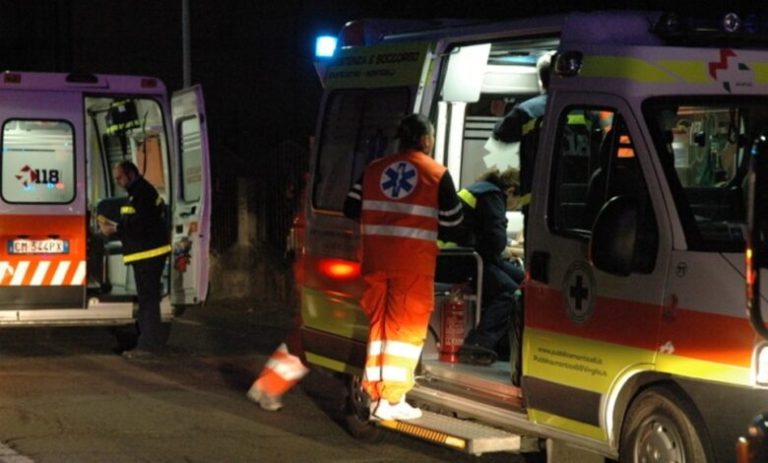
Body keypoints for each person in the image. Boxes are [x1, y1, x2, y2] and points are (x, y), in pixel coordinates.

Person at [343, 114, 463, 421]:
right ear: (426, 140)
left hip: (375, 261)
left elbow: (351, 207)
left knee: (380, 329)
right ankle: (392, 400)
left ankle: (375, 392)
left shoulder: (374, 170)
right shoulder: (436, 174)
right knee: (403, 333)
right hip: (411, 264)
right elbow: (454, 224)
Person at [99, 160, 171, 359]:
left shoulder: (143, 193)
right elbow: (135, 221)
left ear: (131, 174)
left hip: (149, 256)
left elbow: (141, 224)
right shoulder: (138, 193)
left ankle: (148, 346)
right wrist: (117, 225)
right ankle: (147, 342)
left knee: (148, 302)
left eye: (120, 177)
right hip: (146, 255)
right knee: (147, 300)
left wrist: (115, 229)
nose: (118, 182)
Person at [456, 168, 524, 369]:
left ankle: (503, 344)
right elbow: (496, 240)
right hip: (461, 259)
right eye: (516, 202)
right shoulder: (492, 195)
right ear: (510, 191)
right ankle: (478, 344)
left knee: (525, 282)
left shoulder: (482, 190)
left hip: (466, 255)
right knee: (511, 291)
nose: (514, 207)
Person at [492, 51, 555, 240]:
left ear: (541, 81)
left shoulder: (528, 110)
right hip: (574, 200)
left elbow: (501, 135)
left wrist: (500, 115)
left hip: (536, 201)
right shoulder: (585, 109)